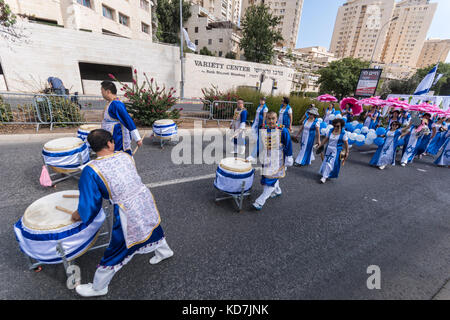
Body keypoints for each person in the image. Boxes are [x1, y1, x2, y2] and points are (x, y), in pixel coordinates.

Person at [72, 129, 174, 297]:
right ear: (110, 143)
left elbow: (90, 204)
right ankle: (164, 251)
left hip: (126, 209)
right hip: (143, 198)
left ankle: (99, 287)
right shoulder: (125, 156)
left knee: (118, 247)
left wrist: (79, 214)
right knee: (150, 225)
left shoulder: (90, 170)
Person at [252, 111, 293, 210]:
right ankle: (277, 190)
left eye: (273, 118)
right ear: (266, 119)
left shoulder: (283, 130)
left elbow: (288, 144)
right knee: (270, 177)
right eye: (269, 118)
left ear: (277, 119)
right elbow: (259, 144)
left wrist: (289, 157)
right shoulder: (263, 129)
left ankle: (260, 202)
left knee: (270, 179)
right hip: (266, 158)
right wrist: (253, 155)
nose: (271, 121)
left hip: (278, 159)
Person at [101, 80, 142, 155]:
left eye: (102, 91)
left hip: (117, 136)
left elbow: (127, 119)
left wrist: (137, 138)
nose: (101, 93)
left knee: (119, 154)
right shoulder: (111, 103)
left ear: (108, 92)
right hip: (111, 135)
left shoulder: (116, 104)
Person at [317, 118, 349, 183]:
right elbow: (326, 139)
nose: (336, 127)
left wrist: (347, 151)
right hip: (328, 149)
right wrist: (320, 145)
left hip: (336, 150)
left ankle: (324, 177)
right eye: (334, 126)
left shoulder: (343, 133)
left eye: (337, 126)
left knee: (330, 162)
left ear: (341, 126)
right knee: (326, 161)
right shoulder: (330, 131)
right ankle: (325, 174)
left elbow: (346, 143)